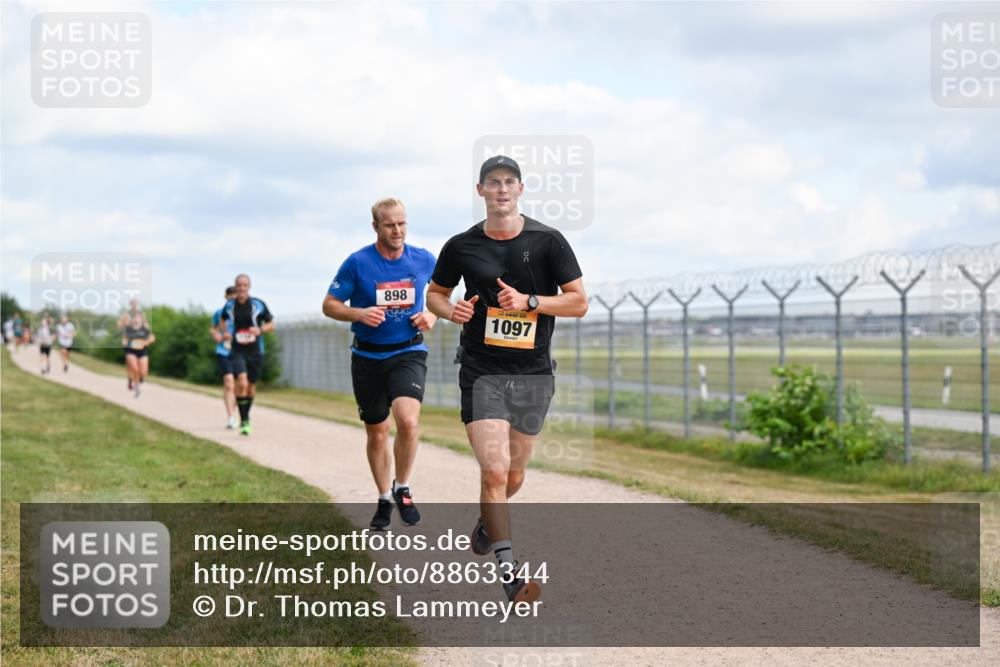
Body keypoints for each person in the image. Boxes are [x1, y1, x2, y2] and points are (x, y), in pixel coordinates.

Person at [426, 155, 588, 604]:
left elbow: (578, 303)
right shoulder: (461, 246)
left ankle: (485, 524)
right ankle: (511, 575)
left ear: (520, 189)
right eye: (492, 182)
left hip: (533, 373)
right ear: (480, 190)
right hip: (482, 370)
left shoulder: (549, 241)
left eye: (509, 182)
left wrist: (530, 301)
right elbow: (435, 294)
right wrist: (448, 310)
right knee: (494, 470)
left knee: (513, 477)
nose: (501, 189)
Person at [322, 197, 437, 530]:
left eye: (402, 223)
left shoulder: (423, 259)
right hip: (368, 356)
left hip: (409, 352)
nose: (397, 230)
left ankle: (403, 487)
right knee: (377, 431)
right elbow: (329, 305)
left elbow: (444, 295)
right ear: (376, 226)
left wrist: (431, 314)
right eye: (390, 224)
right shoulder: (357, 263)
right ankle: (384, 498)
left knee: (408, 421)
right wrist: (359, 313)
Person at [218, 274, 274, 436]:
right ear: (235, 287)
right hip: (237, 350)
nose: (241, 288)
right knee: (241, 382)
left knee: (251, 387)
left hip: (256, 351)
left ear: (248, 287)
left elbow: (271, 324)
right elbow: (221, 322)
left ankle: (245, 414)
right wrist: (226, 332)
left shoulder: (258, 305)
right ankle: (244, 421)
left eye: (244, 285)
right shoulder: (229, 306)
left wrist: (260, 330)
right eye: (239, 285)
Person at [212, 286, 239, 429]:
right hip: (223, 351)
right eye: (230, 295)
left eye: (235, 295)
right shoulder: (219, 313)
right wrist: (219, 336)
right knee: (229, 383)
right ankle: (230, 417)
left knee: (237, 386)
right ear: (225, 297)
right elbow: (214, 328)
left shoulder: (243, 313)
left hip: (239, 352)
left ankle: (234, 412)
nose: (232, 298)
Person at [122, 312, 155, 397]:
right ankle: (137, 386)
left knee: (144, 371)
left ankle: (138, 380)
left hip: (142, 351)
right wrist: (126, 343)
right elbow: (124, 340)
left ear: (141, 319)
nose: (136, 318)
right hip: (131, 351)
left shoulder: (145, 329)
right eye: (135, 317)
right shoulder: (128, 329)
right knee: (135, 368)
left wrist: (146, 342)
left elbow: (152, 338)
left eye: (138, 317)